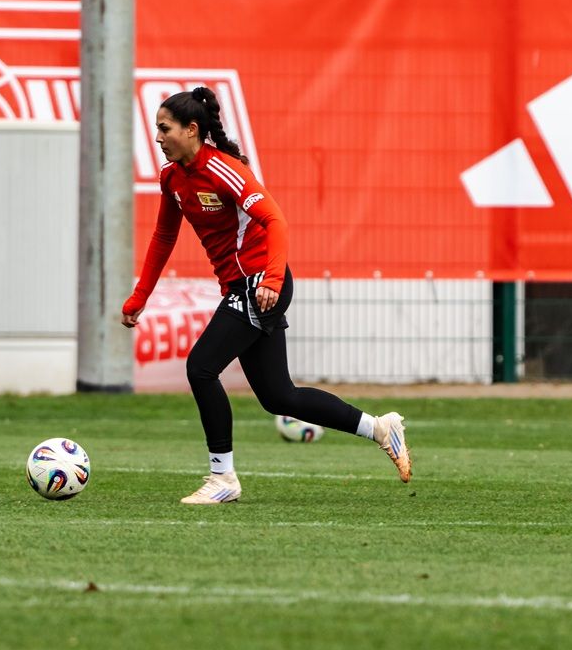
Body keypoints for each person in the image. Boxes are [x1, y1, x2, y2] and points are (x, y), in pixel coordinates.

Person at [121, 87, 410, 504]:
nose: (158, 137)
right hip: (245, 287)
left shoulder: (223, 169)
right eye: (156, 129)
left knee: (201, 368)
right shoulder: (172, 178)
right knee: (279, 396)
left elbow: (275, 220)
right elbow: (164, 237)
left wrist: (271, 281)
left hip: (260, 284)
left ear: (191, 129)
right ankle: (380, 428)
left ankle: (223, 480)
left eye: (164, 128)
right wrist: (139, 297)